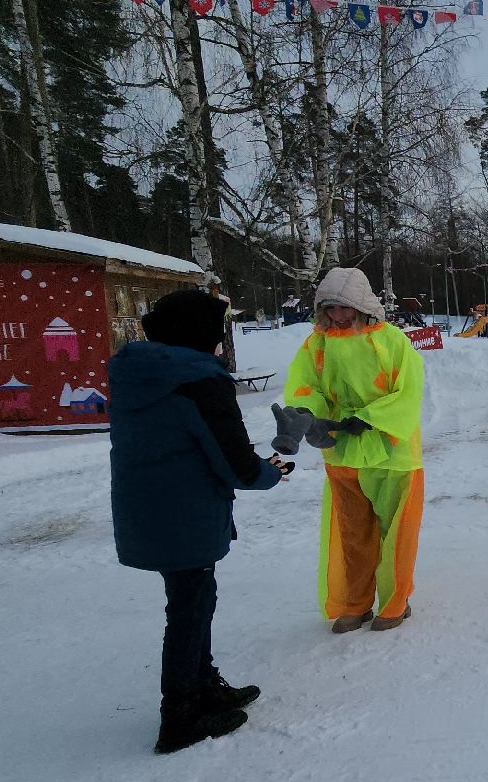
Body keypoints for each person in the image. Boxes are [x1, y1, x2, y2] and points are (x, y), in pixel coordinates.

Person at [110, 288, 289, 755]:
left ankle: (204, 684)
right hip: (185, 511)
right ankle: (180, 716)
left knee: (193, 598)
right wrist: (273, 471)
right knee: (188, 609)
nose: (219, 344)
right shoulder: (199, 381)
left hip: (148, 507)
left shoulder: (141, 374)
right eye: (216, 332)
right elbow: (239, 466)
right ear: (197, 334)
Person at [283, 267, 426, 634]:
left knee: (397, 531)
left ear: (361, 305)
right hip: (341, 450)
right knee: (352, 534)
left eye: (344, 307)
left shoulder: (392, 341)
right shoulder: (316, 343)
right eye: (329, 308)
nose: (337, 316)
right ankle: (355, 603)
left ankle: (396, 602)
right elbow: (303, 386)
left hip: (391, 449)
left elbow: (408, 391)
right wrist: (306, 415)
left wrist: (370, 417)